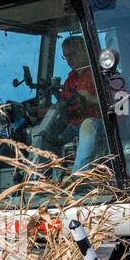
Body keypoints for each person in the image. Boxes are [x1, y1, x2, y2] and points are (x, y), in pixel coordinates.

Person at [30, 35, 103, 172]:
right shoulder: (71, 79)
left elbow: (119, 102)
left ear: (85, 51)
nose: (69, 60)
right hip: (73, 124)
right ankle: (40, 175)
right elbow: (62, 105)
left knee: (88, 124)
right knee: (42, 132)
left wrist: (91, 98)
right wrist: (38, 112)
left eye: (72, 54)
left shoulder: (101, 73)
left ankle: (80, 176)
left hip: (101, 125)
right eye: (66, 56)